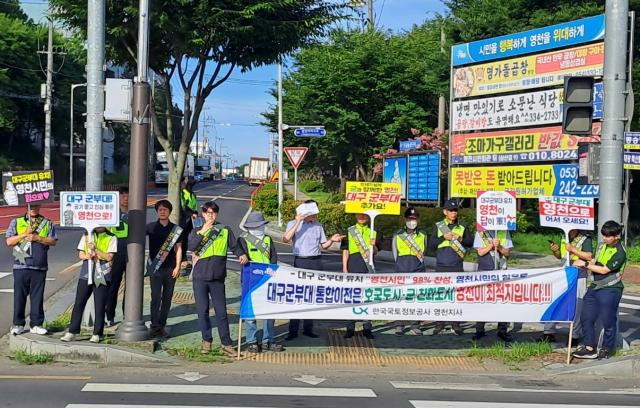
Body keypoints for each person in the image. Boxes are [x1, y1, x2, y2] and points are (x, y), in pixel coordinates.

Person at [188, 200, 248, 356]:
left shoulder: (224, 230)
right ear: (203, 214)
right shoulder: (196, 230)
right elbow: (192, 247)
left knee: (221, 312)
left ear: (217, 214)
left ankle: (226, 343)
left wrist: (241, 254)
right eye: (207, 212)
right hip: (200, 277)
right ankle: (206, 341)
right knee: (202, 311)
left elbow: (234, 246)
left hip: (218, 277)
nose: (210, 215)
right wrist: (203, 231)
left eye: (213, 212)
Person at [283, 200, 344, 340]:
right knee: (298, 296)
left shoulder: (318, 226)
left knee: (312, 295)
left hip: (316, 261)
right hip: (300, 261)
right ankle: (293, 330)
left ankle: (308, 328)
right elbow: (286, 239)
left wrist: (332, 240)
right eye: (312, 214)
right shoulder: (292, 224)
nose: (315, 216)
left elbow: (324, 246)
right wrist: (298, 221)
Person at [572, 221, 626, 360]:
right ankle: (589, 347)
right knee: (586, 317)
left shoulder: (620, 251)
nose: (605, 238)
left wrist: (584, 264)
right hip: (595, 286)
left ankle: (607, 348)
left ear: (616, 236)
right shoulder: (602, 245)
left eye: (608, 236)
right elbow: (595, 262)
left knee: (608, 320)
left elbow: (604, 270)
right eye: (603, 235)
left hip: (611, 289)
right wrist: (585, 264)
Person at [5, 204, 58, 335]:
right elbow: (9, 241)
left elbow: (53, 241)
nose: (34, 208)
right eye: (31, 205)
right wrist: (24, 235)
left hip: (39, 266)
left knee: (37, 297)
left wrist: (38, 238)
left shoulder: (47, 222)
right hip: (21, 265)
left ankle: (37, 324)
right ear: (27, 206)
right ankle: (18, 324)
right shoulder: (17, 221)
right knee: (19, 296)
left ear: (40, 205)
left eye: (36, 205)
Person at [61, 227, 117, 343]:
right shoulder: (87, 235)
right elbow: (81, 253)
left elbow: (109, 257)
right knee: (79, 302)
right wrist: (87, 256)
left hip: (101, 273)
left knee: (100, 304)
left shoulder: (111, 237)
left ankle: (97, 333)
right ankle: (72, 331)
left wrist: (96, 250)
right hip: (86, 273)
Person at [238, 211, 283, 353]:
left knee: (269, 312)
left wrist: (272, 272)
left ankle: (268, 340)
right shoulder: (243, 239)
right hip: (250, 281)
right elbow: (242, 257)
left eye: (261, 225)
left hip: (267, 280)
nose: (259, 228)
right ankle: (252, 341)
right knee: (250, 313)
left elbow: (274, 258)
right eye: (257, 225)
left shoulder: (268, 239)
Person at [428, 199, 473, 335]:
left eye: (455, 210)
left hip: (457, 265)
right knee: (440, 295)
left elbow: (470, 242)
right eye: (451, 211)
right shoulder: (439, 226)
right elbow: (431, 244)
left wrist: (461, 239)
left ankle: (456, 324)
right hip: (441, 265)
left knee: (456, 296)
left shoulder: (462, 226)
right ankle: (439, 324)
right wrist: (443, 237)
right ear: (445, 212)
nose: (453, 213)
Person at [539, 229, 593, 344]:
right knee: (557, 302)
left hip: (579, 275)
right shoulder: (565, 236)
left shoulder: (585, 238)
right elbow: (561, 256)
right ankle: (549, 332)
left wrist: (572, 249)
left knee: (577, 306)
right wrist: (556, 251)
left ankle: (574, 335)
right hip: (564, 275)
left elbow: (589, 256)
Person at [146, 199, 183, 338]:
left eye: (165, 210)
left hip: (170, 268)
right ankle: (154, 326)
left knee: (167, 298)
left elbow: (179, 248)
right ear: (157, 211)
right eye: (160, 209)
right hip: (155, 269)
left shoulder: (176, 229)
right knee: (155, 297)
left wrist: (178, 266)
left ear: (169, 212)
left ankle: (162, 325)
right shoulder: (150, 227)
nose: (162, 212)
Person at [472, 229, 514, 342]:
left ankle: (502, 330)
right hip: (485, 271)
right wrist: (491, 245)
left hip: (501, 271)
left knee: (502, 301)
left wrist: (499, 246)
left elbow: (507, 253)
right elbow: (480, 252)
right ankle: (479, 329)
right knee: (482, 301)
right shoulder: (480, 232)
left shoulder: (504, 232)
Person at [392, 207, 427, 336]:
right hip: (401, 269)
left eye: (414, 219)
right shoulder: (398, 234)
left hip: (417, 270)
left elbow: (425, 252)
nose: (412, 221)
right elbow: (395, 254)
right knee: (400, 297)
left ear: (418, 220)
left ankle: (415, 325)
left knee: (416, 298)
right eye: (410, 219)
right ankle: (399, 325)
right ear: (405, 219)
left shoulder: (423, 235)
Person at [341, 213, 377, 339]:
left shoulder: (373, 230)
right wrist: (345, 269)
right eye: (359, 215)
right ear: (356, 216)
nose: (362, 217)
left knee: (367, 298)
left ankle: (367, 328)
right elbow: (345, 251)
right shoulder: (349, 230)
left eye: (364, 215)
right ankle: (350, 327)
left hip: (368, 268)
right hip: (353, 266)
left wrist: (374, 245)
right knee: (351, 298)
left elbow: (377, 251)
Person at [105, 186, 129, 327]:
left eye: (128, 195)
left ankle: (128, 314)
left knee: (131, 285)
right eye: (123, 195)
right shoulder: (112, 212)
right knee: (113, 284)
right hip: (116, 251)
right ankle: (110, 315)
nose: (126, 198)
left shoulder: (136, 212)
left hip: (132, 251)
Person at [180, 176, 198, 264]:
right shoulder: (182, 193)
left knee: (190, 239)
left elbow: (194, 206)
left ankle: (190, 258)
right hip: (184, 220)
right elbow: (183, 207)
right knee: (182, 240)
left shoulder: (192, 194)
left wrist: (196, 213)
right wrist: (191, 213)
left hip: (192, 221)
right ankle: (182, 258)